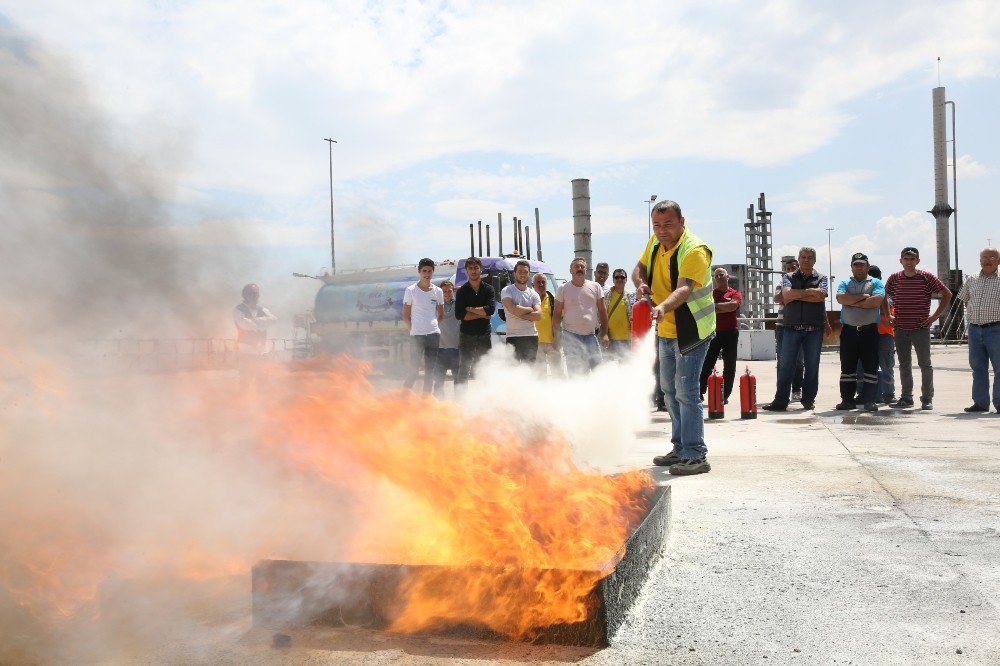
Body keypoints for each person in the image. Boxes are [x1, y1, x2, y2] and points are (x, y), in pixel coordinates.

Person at [632, 199, 715, 476]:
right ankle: (680, 448)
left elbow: (684, 291)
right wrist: (641, 283)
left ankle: (696, 455)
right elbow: (638, 269)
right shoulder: (655, 243)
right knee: (669, 391)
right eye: (657, 225)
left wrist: (662, 307)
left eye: (668, 224)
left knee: (686, 392)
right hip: (666, 331)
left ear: (682, 221)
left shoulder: (694, 250)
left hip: (692, 331)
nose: (662, 230)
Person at [885, 247, 952, 410]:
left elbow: (947, 294)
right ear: (901, 261)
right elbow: (883, 296)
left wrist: (934, 317)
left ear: (918, 261)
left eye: (912, 259)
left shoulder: (926, 277)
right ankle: (907, 397)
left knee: (925, 364)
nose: (909, 262)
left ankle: (927, 398)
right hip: (900, 328)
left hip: (920, 328)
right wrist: (888, 315)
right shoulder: (894, 278)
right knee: (904, 364)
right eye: (906, 259)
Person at [762, 247, 829, 412]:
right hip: (791, 328)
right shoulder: (787, 277)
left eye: (809, 257)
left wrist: (797, 294)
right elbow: (786, 296)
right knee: (786, 366)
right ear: (799, 259)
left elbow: (821, 296)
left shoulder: (822, 277)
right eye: (803, 257)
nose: (806, 260)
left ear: (814, 260)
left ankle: (808, 399)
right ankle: (780, 401)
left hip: (814, 329)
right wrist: (810, 293)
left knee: (812, 366)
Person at [835, 253, 885, 411]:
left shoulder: (876, 282)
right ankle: (847, 400)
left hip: (869, 331)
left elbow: (876, 301)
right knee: (847, 368)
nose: (859, 267)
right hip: (849, 332)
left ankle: (869, 400)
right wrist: (863, 298)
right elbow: (840, 299)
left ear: (868, 266)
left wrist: (853, 301)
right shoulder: (844, 282)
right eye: (856, 264)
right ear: (851, 267)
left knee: (870, 368)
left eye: (862, 264)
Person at [958, 247, 1000, 413]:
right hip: (975, 330)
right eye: (984, 257)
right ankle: (980, 403)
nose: (987, 260)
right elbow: (965, 300)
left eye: (992, 257)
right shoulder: (972, 279)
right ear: (979, 260)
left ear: (998, 261)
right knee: (978, 368)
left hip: (996, 328)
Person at [553, 258, 609, 375]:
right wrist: (556, 336)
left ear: (586, 270)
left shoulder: (595, 287)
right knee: (575, 371)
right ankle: (577, 393)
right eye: (576, 267)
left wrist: (604, 334)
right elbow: (557, 314)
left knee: (598, 369)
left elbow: (603, 311)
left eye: (582, 267)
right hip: (570, 336)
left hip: (591, 335)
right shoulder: (563, 289)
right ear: (570, 270)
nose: (579, 269)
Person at [699, 267, 742, 403]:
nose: (718, 278)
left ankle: (724, 395)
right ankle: (700, 391)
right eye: (716, 276)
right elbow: (707, 309)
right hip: (714, 333)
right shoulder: (711, 294)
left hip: (731, 333)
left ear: (727, 277)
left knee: (729, 366)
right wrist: (724, 306)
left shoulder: (735, 293)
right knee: (707, 363)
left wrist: (716, 307)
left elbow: (733, 306)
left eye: (721, 275)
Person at [854, 265, 895, 404]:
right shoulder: (859, 293)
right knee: (861, 366)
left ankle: (889, 395)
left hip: (884, 335)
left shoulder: (886, 296)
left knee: (886, 366)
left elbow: (885, 310)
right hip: (864, 335)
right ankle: (862, 394)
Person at [402, 258, 444, 393]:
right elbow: (405, 315)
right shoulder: (411, 290)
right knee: (414, 370)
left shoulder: (438, 291)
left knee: (430, 371)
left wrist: (432, 327)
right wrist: (412, 330)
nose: (427, 274)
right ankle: (402, 397)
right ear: (419, 272)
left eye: (430, 271)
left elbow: (441, 314)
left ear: (433, 272)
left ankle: (425, 400)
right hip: (417, 336)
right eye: (424, 271)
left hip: (433, 335)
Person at [455, 256, 496, 385]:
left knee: (485, 368)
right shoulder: (462, 291)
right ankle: (461, 400)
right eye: (470, 268)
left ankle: (484, 400)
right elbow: (460, 315)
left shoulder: (489, 289)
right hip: (466, 335)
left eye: (476, 268)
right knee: (464, 369)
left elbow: (490, 311)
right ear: (467, 271)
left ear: (481, 269)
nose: (473, 271)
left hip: (484, 334)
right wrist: (482, 314)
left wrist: (470, 309)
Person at [233, 283, 278, 392]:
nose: (255, 296)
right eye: (252, 294)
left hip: (262, 353)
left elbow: (274, 319)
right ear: (244, 295)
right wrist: (262, 323)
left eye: (256, 294)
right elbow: (244, 325)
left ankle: (261, 406)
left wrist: (255, 323)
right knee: (245, 383)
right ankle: (240, 405)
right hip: (246, 353)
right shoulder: (238, 310)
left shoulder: (263, 309)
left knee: (263, 383)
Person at [774, 258, 805, 401]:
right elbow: (777, 298)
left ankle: (797, 389)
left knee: (799, 361)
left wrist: (791, 295)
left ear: (798, 267)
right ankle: (781, 391)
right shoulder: (782, 282)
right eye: (788, 269)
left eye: (794, 267)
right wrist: (793, 293)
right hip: (782, 326)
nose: (791, 270)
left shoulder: (805, 282)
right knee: (782, 360)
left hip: (799, 324)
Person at [501, 260, 541, 363]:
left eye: (525, 272)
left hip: (531, 336)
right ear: (514, 273)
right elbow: (512, 309)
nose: (522, 274)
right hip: (513, 336)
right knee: (512, 372)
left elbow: (538, 316)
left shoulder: (534, 294)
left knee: (529, 371)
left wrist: (517, 312)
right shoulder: (507, 290)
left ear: (529, 274)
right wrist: (529, 309)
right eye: (520, 271)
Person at [532, 271, 564, 377]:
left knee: (558, 373)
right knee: (539, 375)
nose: (541, 285)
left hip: (553, 343)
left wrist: (558, 339)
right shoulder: (529, 300)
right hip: (536, 343)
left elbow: (560, 319)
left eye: (543, 282)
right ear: (533, 285)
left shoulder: (554, 299)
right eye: (538, 282)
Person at [434, 280, 460, 395]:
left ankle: (459, 404)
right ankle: (438, 406)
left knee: (458, 381)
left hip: (457, 349)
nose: (447, 293)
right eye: (444, 291)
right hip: (440, 350)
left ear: (453, 291)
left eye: (450, 291)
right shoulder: (435, 306)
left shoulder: (460, 305)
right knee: (439, 381)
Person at [605, 268, 636, 362]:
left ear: (626, 280)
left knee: (626, 369)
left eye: (622, 277)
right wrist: (604, 335)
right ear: (613, 280)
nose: (619, 279)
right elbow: (601, 317)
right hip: (610, 340)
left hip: (627, 340)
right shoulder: (606, 295)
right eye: (617, 277)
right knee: (609, 368)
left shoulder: (632, 296)